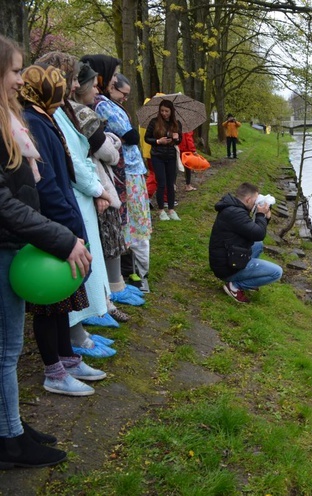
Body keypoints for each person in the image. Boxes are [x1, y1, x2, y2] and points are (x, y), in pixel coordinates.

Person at [0, 35, 92, 469]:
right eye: (15, 70)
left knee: (9, 349)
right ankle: (10, 442)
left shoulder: (12, 122)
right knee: (5, 351)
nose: (21, 79)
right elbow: (6, 201)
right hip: (8, 244)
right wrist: (59, 236)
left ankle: (11, 425)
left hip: (15, 244)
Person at [20, 63, 107, 397]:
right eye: (60, 84)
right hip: (52, 223)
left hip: (63, 219)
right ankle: (53, 371)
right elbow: (47, 182)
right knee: (48, 300)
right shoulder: (34, 123)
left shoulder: (46, 118)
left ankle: (67, 357)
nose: (66, 89)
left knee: (64, 296)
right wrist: (69, 223)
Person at [34, 52, 119, 358]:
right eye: (70, 78)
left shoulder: (59, 110)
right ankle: (72, 339)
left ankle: (79, 330)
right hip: (69, 201)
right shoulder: (47, 115)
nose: (75, 85)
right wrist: (97, 188)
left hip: (76, 198)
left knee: (82, 271)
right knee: (72, 273)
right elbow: (69, 160)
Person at [80, 56, 152, 292]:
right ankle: (132, 275)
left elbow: (129, 136)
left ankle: (130, 274)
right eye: (112, 78)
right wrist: (121, 138)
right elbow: (127, 137)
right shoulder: (99, 105)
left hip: (128, 169)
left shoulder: (104, 103)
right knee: (128, 223)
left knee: (132, 222)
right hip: (120, 172)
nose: (112, 83)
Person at [208, 183, 282, 303]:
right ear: (248, 199)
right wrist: (260, 214)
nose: (256, 203)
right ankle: (235, 286)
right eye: (255, 200)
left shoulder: (234, 208)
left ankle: (248, 277)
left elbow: (253, 232)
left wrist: (265, 217)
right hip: (225, 268)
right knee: (276, 272)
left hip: (226, 256)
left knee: (258, 244)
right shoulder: (236, 214)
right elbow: (258, 233)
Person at [143, 99, 182, 221]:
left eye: (167, 111)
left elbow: (179, 140)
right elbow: (147, 138)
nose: (164, 113)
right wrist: (158, 141)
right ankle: (161, 211)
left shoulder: (176, 124)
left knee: (171, 184)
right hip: (157, 156)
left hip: (170, 156)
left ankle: (171, 209)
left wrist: (177, 137)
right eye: (162, 111)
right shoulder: (154, 122)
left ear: (171, 111)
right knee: (161, 183)